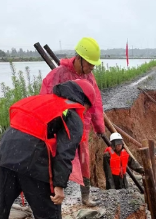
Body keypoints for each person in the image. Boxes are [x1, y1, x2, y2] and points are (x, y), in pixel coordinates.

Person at [0, 79, 96, 219]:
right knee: (48, 214)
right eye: (88, 107)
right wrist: (59, 185)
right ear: (83, 100)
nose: (85, 112)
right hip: (32, 161)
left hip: (4, 154)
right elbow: (65, 153)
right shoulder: (71, 113)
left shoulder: (45, 101)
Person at [40, 37, 105, 206]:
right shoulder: (58, 74)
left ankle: (85, 196)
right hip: (61, 125)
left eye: (93, 64)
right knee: (55, 155)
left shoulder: (90, 78)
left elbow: (96, 103)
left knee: (84, 158)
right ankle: (53, 193)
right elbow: (44, 99)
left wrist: (99, 127)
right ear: (79, 58)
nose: (92, 67)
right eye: (90, 63)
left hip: (83, 125)